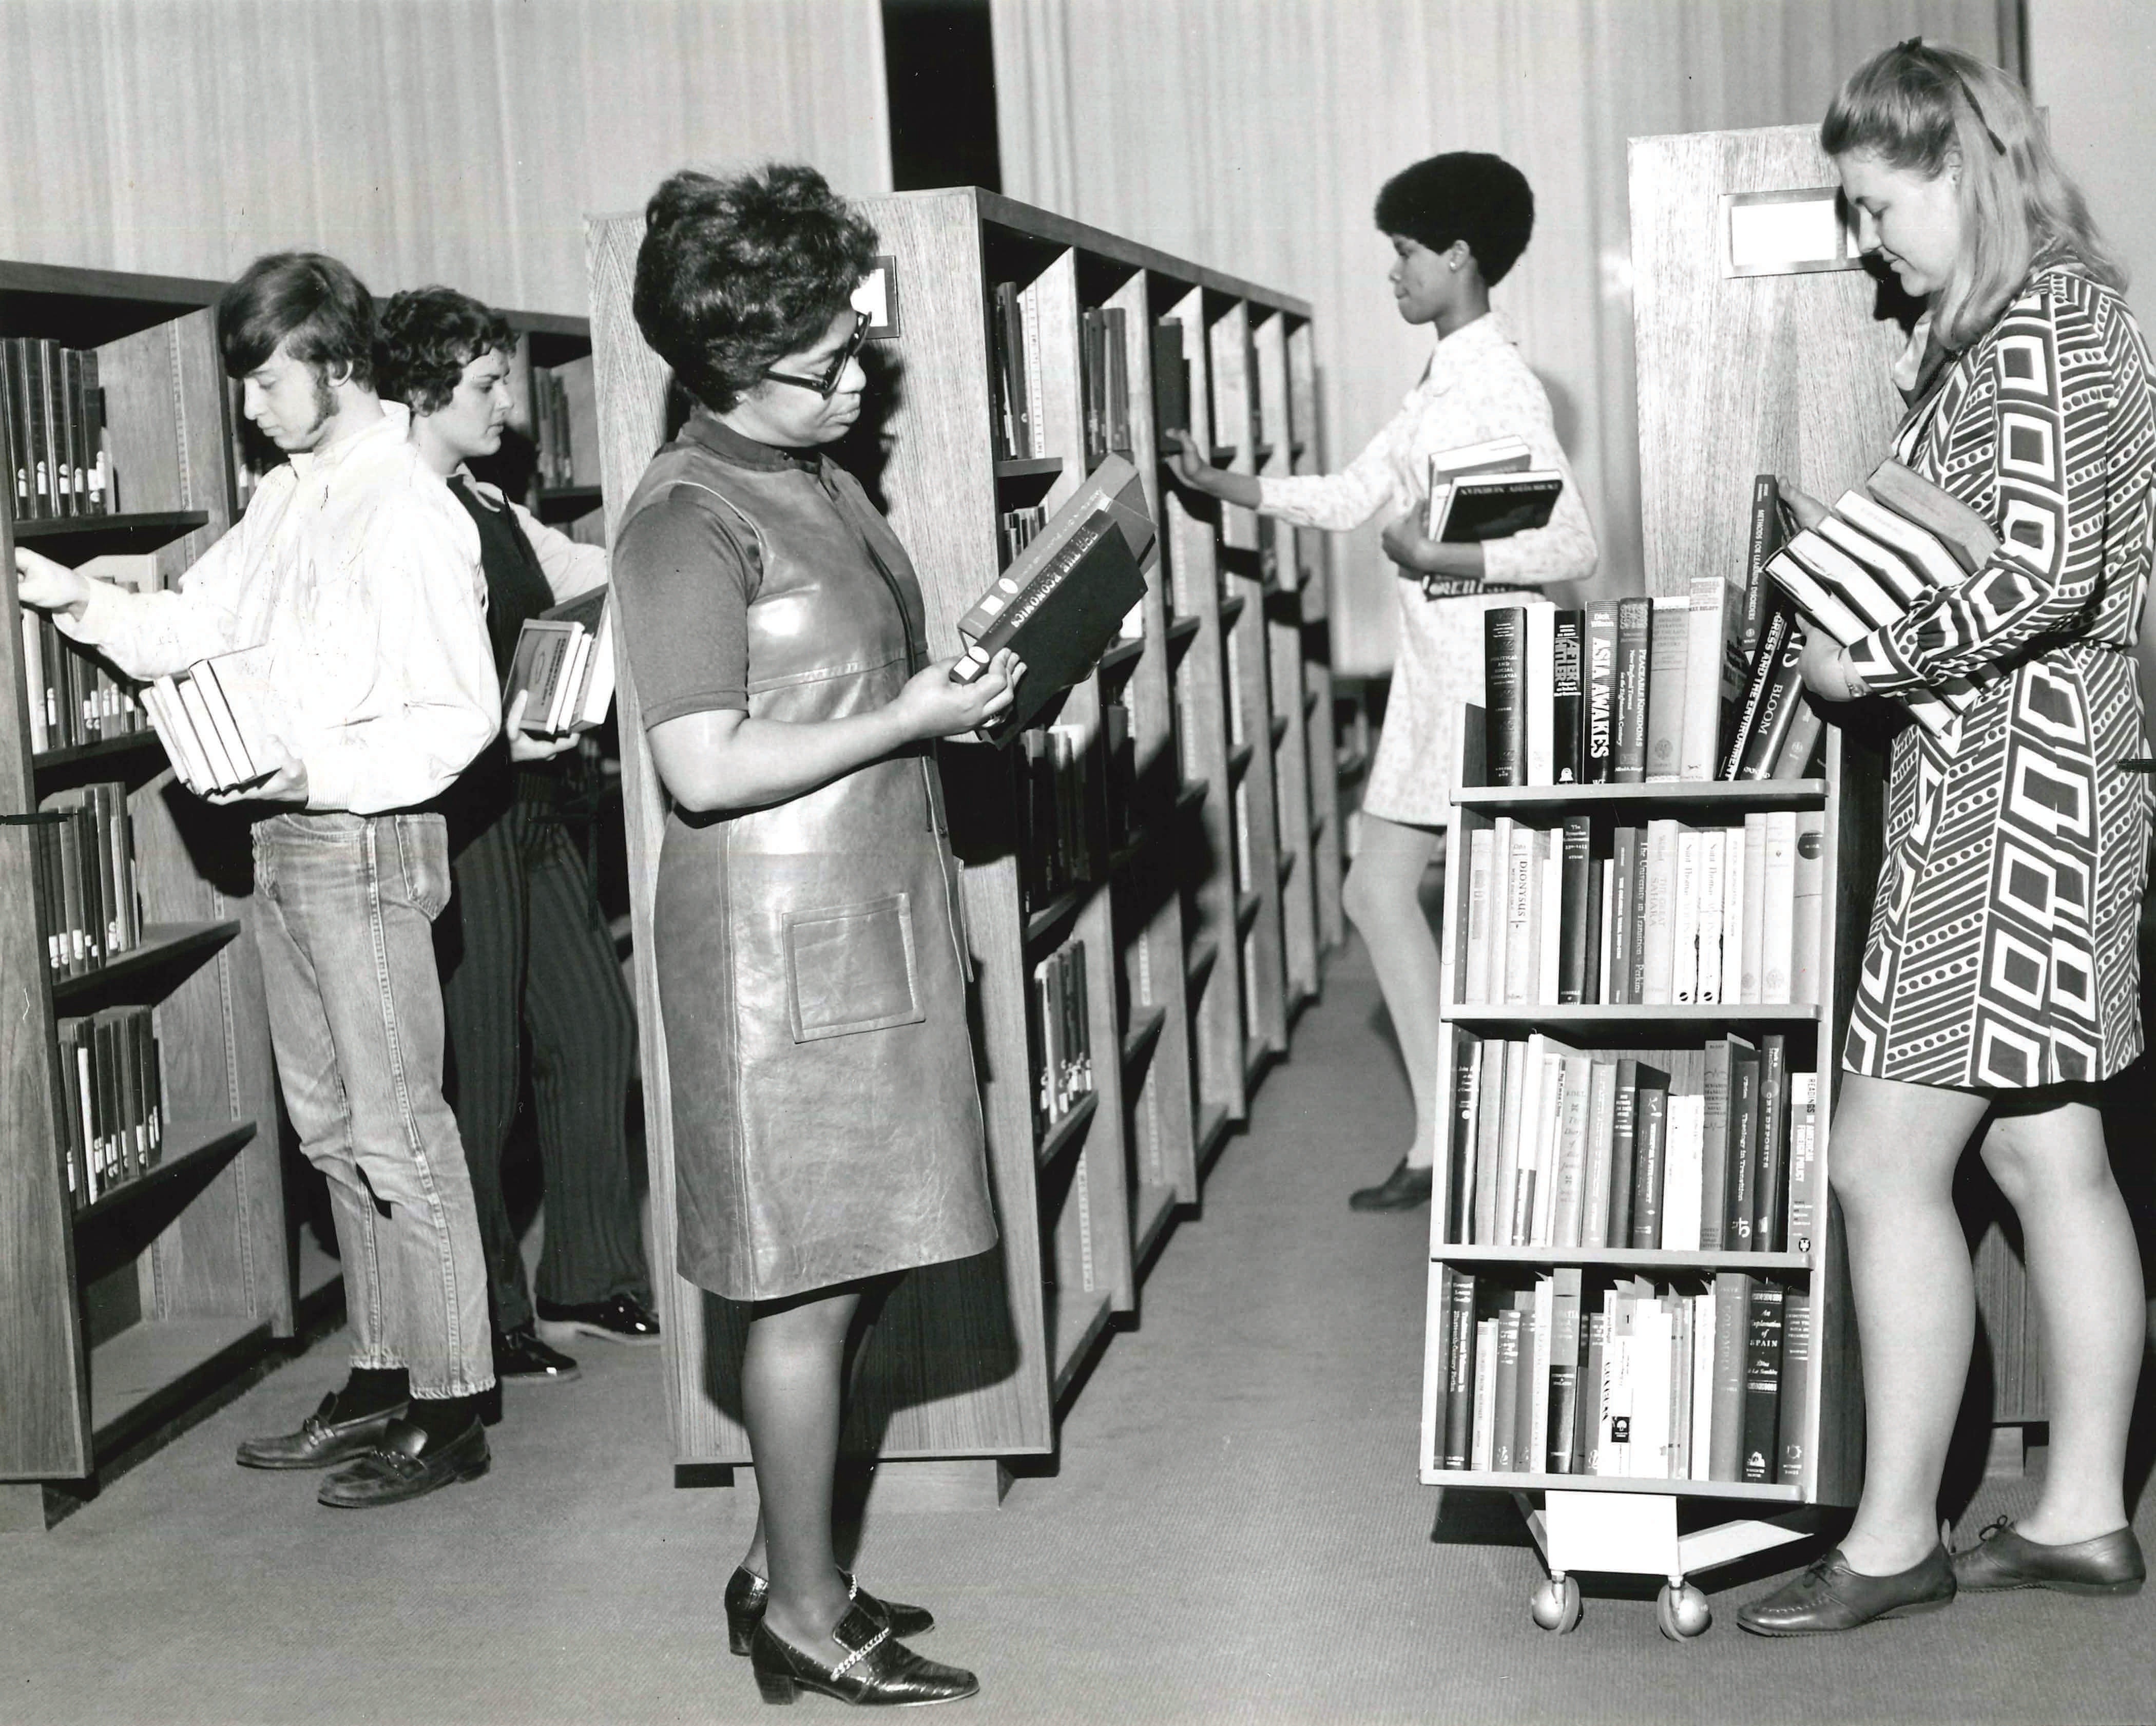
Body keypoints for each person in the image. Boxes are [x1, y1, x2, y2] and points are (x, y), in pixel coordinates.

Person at [1737, 40, 2153, 1635]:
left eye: (1876, 203)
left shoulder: (2040, 323)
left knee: (1877, 1158)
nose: (1865, 242)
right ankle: (2077, 1514)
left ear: (1960, 166)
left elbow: (2039, 567)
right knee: (2053, 1155)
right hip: (2074, 778)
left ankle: (1896, 1538)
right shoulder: (2065, 313)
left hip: (2003, 792)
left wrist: (1866, 658)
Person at [611, 164, 1017, 1705]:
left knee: (847, 1277)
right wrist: (907, 714)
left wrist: (953, 682)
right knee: (802, 1289)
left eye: (857, 342)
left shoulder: (817, 472)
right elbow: (699, 762)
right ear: (724, 367)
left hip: (861, 911)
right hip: (775, 952)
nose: (859, 377)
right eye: (826, 362)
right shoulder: (683, 517)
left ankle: (802, 1567)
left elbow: (844, 678)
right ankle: (795, 1613)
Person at [13, 252, 502, 1507]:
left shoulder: (407, 502)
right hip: (286, 844)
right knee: (332, 1133)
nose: (251, 406)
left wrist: (308, 769)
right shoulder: (296, 495)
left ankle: (453, 1407)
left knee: (403, 1133)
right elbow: (194, 622)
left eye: (269, 378)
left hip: (364, 839)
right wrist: (67, 593)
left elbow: (460, 720)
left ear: (335, 362)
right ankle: (386, 1374)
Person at [1169, 150, 1597, 1213]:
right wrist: (1226, 485)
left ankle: (1482, 1149)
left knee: (1483, 921)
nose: (1392, 273)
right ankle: (1442, 1139)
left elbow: (1573, 544)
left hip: (1490, 682)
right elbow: (1361, 492)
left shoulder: (1494, 381)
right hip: (1442, 678)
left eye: (1405, 252)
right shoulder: (1447, 373)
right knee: (1377, 891)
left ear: (1459, 256)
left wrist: (1438, 560)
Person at [374, 287, 661, 1392]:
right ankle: (484, 1311)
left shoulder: (482, 500)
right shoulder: (400, 511)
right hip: (464, 814)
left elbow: (582, 570)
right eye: (488, 385)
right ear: (424, 385)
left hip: (539, 805)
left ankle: (587, 1269)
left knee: (595, 1029)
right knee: (478, 1074)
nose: (509, 404)